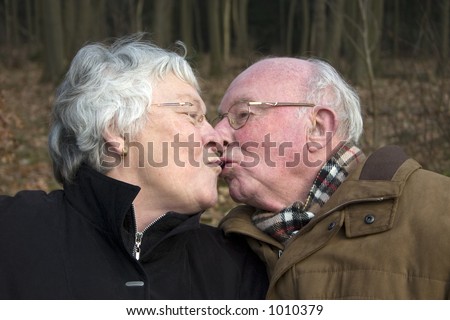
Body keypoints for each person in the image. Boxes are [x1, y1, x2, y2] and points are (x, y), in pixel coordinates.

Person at [0, 34, 268, 299]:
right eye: (192, 115)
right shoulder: (13, 235)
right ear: (116, 129)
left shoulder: (235, 270)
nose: (216, 137)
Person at [214, 57, 450, 299]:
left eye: (242, 114)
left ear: (318, 128)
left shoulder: (440, 213)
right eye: (219, 119)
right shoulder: (219, 247)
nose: (216, 134)